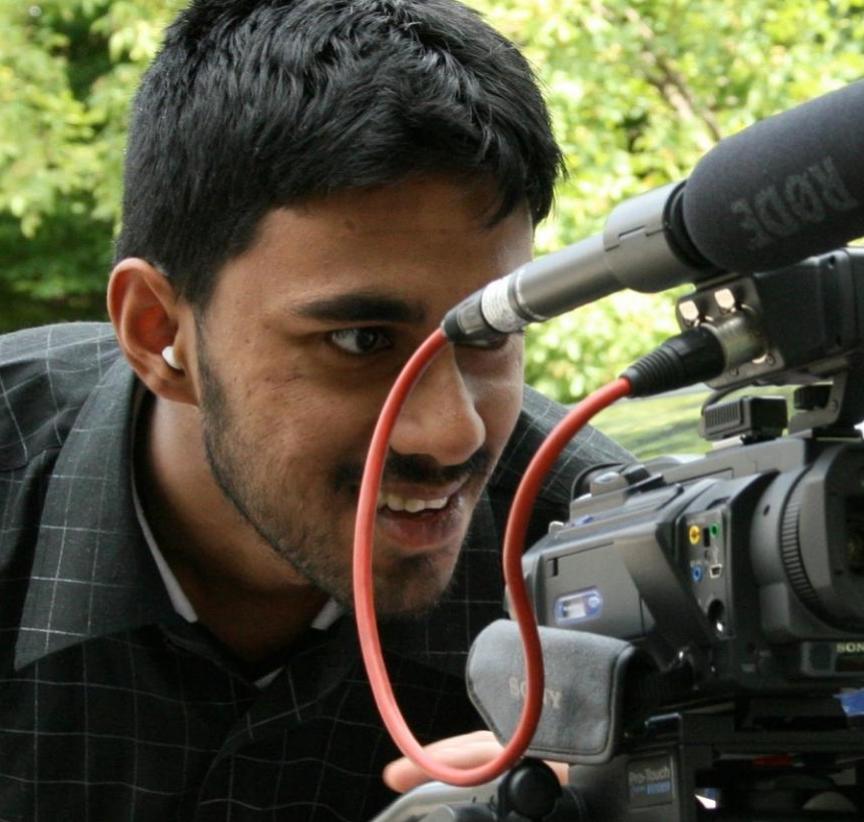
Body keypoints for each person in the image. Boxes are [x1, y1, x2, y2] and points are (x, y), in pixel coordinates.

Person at [0, 1, 633, 819]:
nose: (453, 432)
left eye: (490, 333)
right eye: (362, 341)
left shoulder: (623, 561)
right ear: (159, 333)